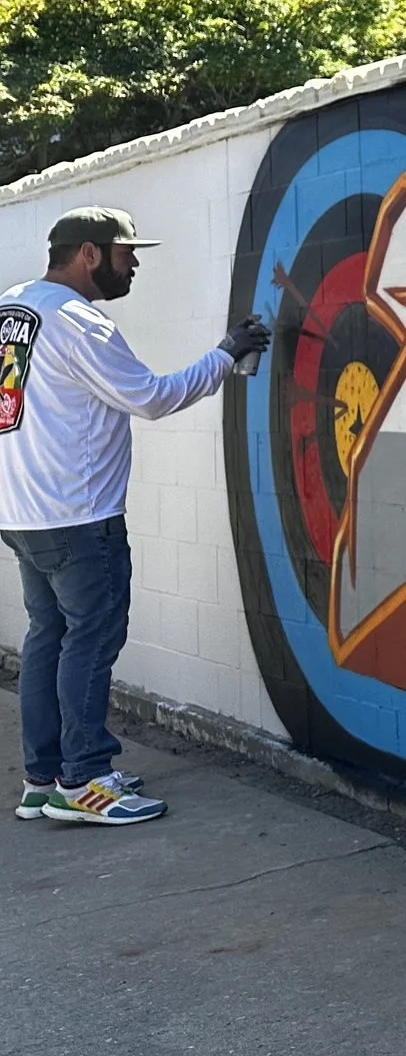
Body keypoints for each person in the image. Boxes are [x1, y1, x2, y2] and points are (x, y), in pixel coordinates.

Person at [4, 206, 268, 827]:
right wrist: (227, 355)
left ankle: (42, 781)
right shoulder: (76, 320)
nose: (136, 264)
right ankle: (86, 779)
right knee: (91, 642)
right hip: (76, 514)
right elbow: (150, 397)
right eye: (127, 253)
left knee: (49, 640)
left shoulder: (13, 306)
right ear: (90, 254)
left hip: (21, 510)